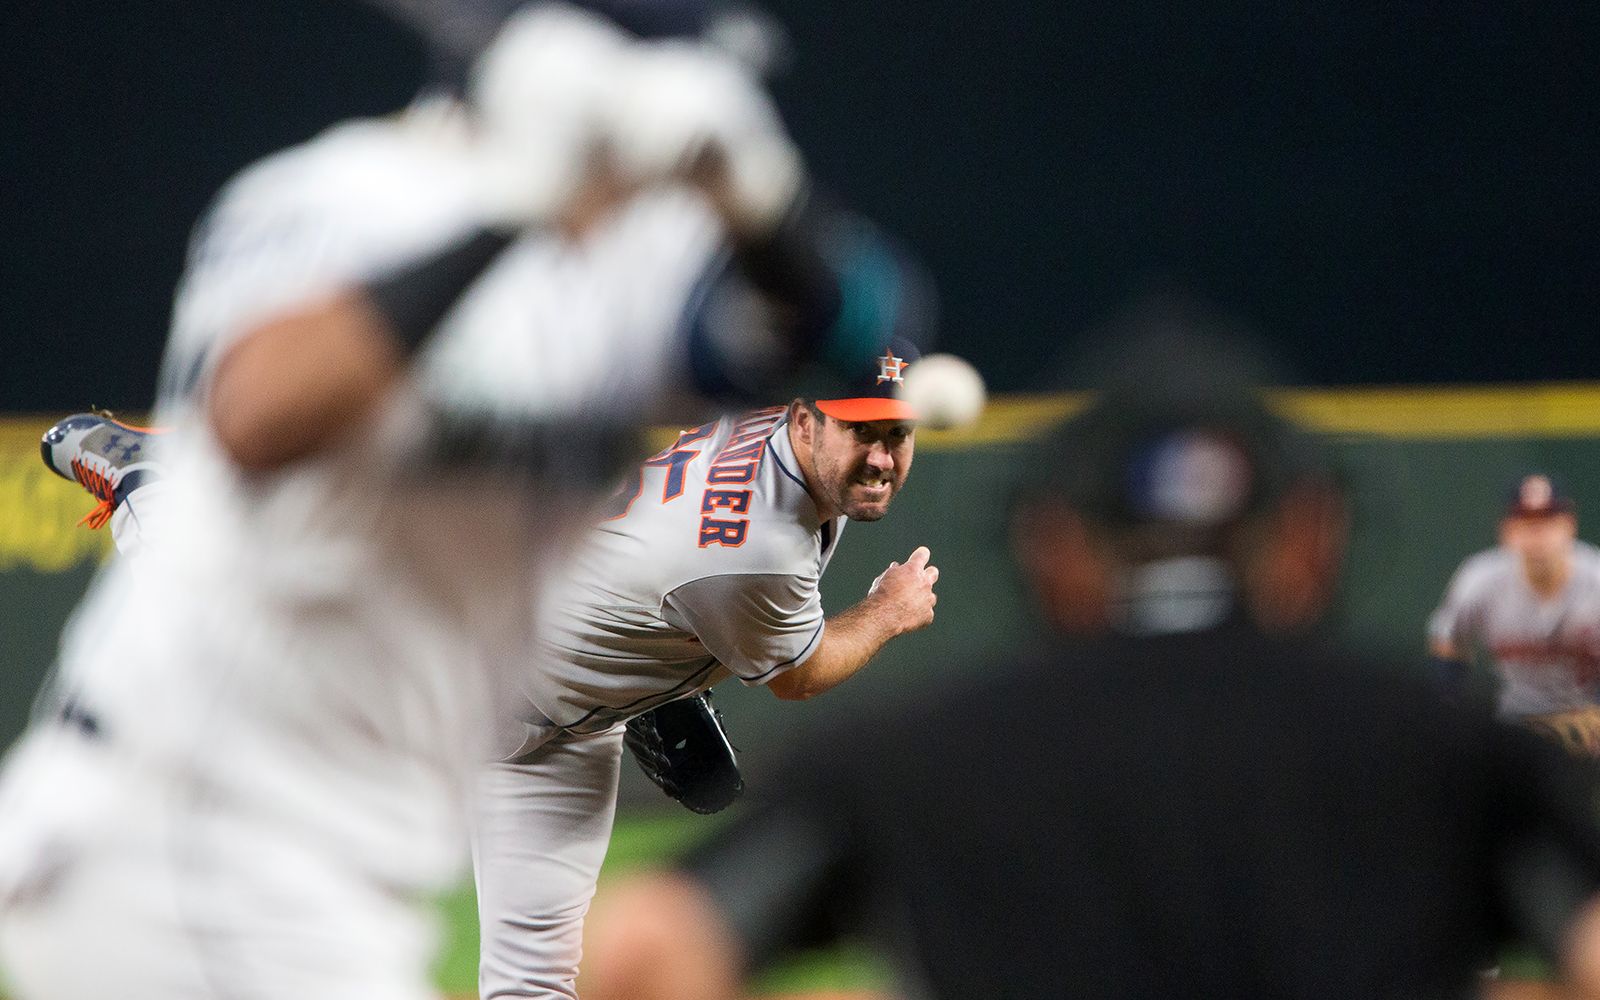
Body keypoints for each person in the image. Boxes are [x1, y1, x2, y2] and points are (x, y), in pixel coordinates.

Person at [0, 5, 924, 999]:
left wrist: (760, 202)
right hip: (187, 822)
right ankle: (151, 490)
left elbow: (861, 333)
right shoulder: (342, 193)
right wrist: (518, 205)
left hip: (360, 837)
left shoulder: (638, 267)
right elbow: (257, 411)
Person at [576, 311, 1600, 1000]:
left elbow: (640, 955)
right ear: (1306, 542)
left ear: (1054, 550)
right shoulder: (1449, 758)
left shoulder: (912, 759)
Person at [475, 339, 938, 1000]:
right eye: (860, 429)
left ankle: (638, 680)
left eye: (897, 433)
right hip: (475, 685)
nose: (881, 456)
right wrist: (887, 610)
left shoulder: (770, 436)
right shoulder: (759, 546)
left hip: (561, 704)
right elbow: (798, 675)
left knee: (531, 984)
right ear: (804, 420)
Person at [1430, 475, 1600, 753]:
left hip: (1589, 722)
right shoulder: (1480, 579)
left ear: (1569, 525)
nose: (1537, 533)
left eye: (1548, 520)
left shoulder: (1596, 579)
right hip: (1515, 726)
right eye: (1525, 521)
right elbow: (1448, 642)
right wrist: (1448, 713)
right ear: (1506, 530)